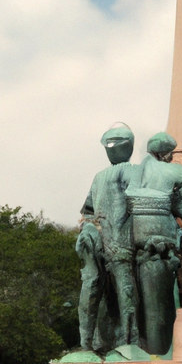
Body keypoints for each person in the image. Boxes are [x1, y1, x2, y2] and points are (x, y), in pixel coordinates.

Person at [126, 133, 182, 354]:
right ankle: (160, 353)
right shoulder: (177, 174)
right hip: (158, 253)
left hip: (124, 253)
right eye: (171, 153)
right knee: (160, 312)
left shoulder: (128, 174)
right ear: (166, 154)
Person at [76, 123, 138, 351]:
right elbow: (88, 212)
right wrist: (88, 231)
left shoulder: (134, 171)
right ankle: (88, 344)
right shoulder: (100, 177)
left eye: (115, 144)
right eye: (108, 145)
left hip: (123, 242)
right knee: (96, 292)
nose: (111, 149)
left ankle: (128, 341)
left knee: (124, 290)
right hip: (101, 243)